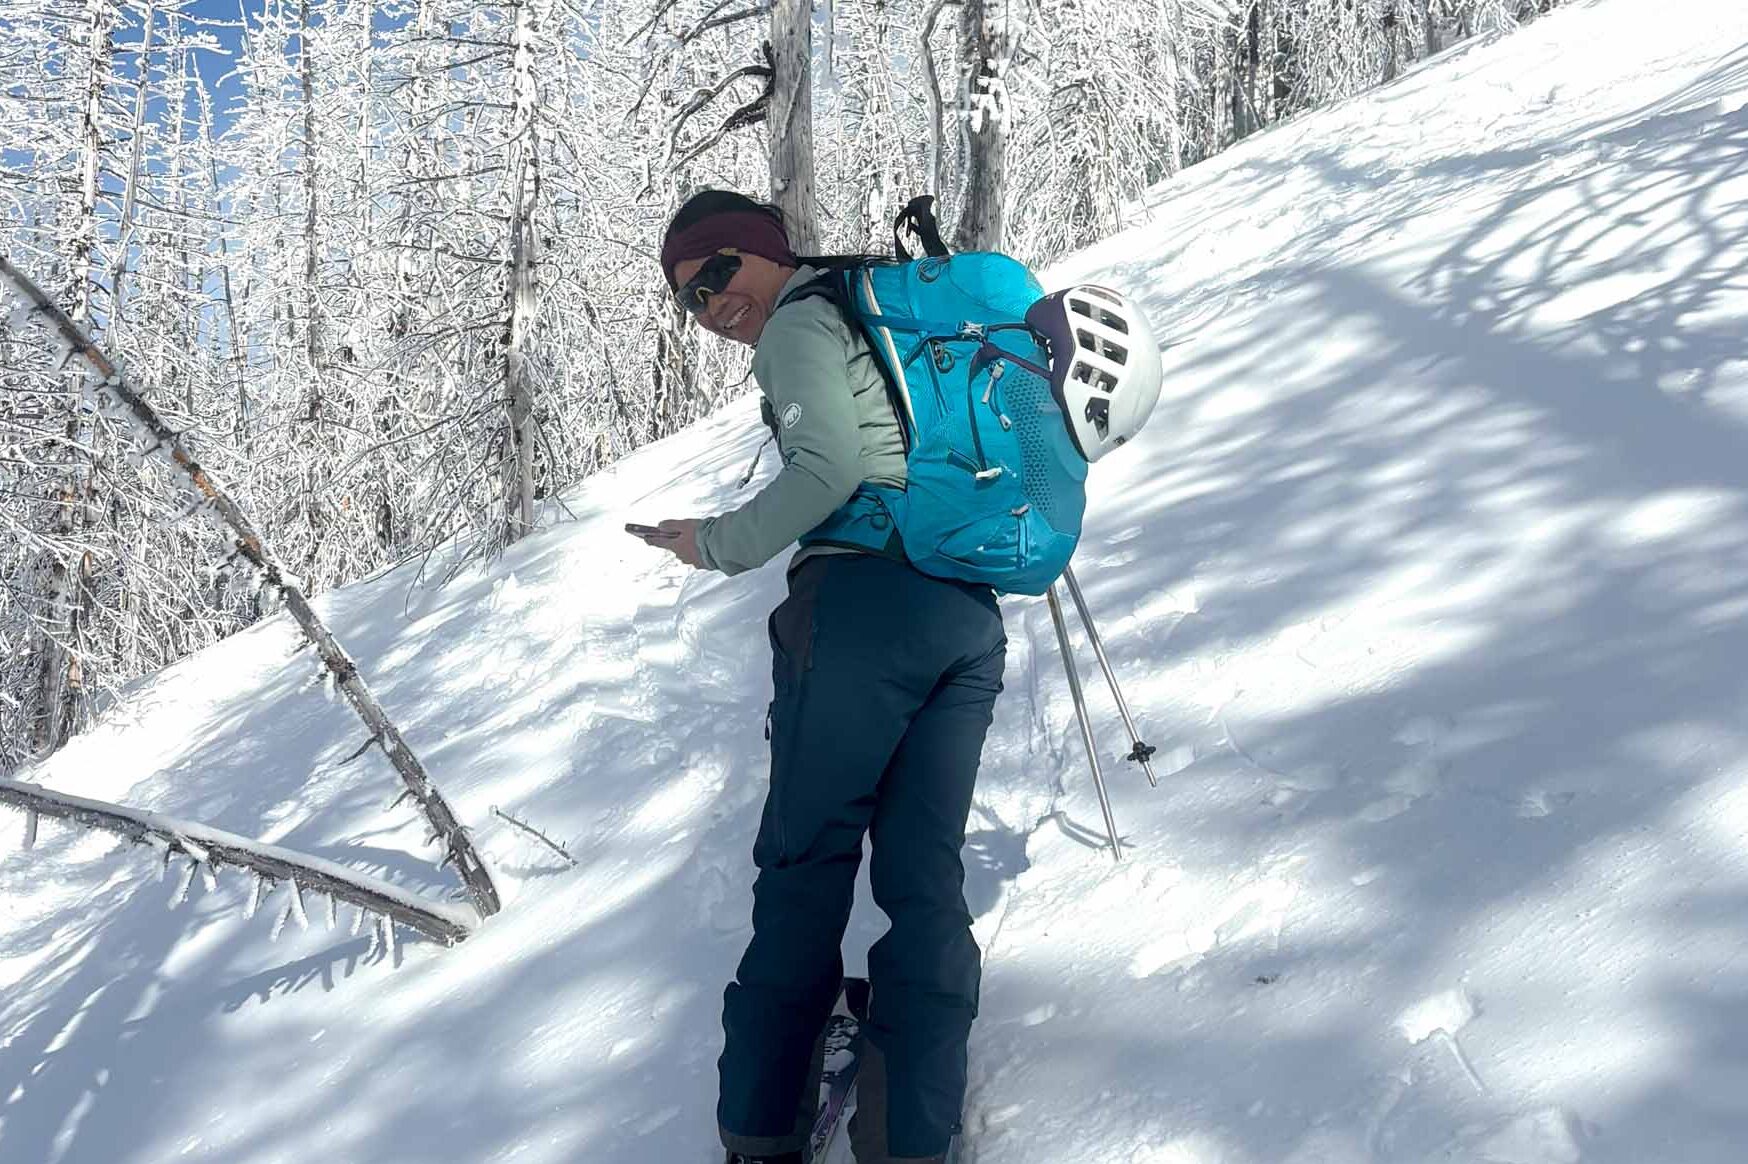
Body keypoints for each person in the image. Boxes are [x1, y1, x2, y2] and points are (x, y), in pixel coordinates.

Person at [635, 189, 1006, 1164]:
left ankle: (761, 1131)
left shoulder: (800, 324)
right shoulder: (875, 318)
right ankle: (910, 1137)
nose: (710, 303)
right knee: (923, 876)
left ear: (767, 252)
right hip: (962, 614)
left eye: (718, 271)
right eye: (688, 296)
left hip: (857, 613)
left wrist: (716, 542)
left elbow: (828, 468)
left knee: (804, 866)